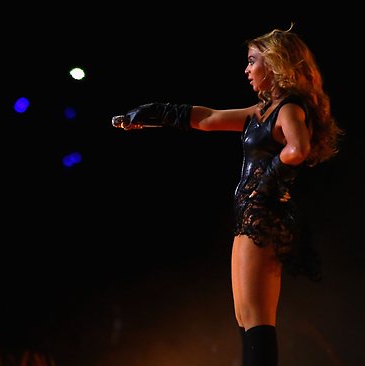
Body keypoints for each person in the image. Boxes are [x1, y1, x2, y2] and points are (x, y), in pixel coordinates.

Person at [111, 24, 342, 366]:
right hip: (250, 217)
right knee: (246, 320)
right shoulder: (261, 112)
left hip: (264, 217)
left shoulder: (290, 109)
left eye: (252, 61)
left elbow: (298, 148)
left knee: (257, 322)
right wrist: (155, 112)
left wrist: (268, 178)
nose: (247, 69)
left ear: (275, 63)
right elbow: (208, 119)